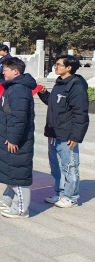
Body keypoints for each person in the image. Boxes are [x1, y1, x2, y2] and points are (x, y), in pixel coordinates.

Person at [38, 55, 90, 208]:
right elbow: (53, 103)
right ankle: (60, 193)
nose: (56, 67)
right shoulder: (59, 83)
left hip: (67, 135)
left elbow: (80, 114)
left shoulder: (76, 87)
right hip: (54, 133)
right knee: (56, 167)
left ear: (69, 68)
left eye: (59, 65)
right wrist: (43, 93)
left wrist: (76, 136)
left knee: (69, 167)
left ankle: (71, 197)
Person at [0, 57, 36, 218]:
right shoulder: (13, 87)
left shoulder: (19, 90)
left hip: (16, 140)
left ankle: (21, 209)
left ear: (15, 71)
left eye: (5, 70)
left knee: (18, 174)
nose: (3, 72)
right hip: (7, 135)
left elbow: (19, 117)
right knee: (9, 170)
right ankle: (8, 200)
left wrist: (14, 138)